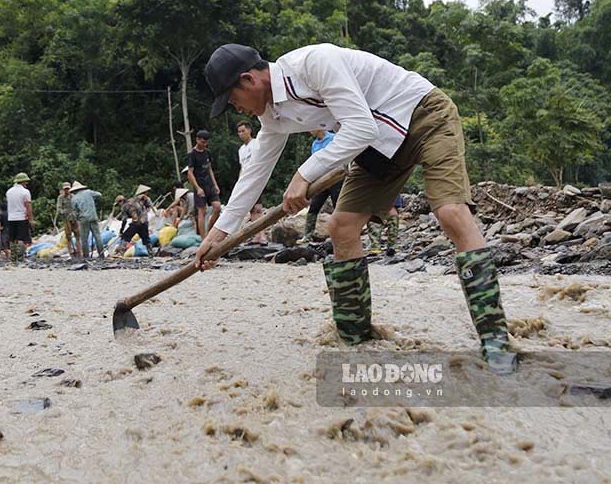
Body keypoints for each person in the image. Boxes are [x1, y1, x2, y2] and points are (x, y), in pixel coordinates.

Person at [196, 42, 516, 375]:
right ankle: (356, 337)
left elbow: (360, 126)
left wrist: (304, 174)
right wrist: (218, 236)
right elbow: (255, 174)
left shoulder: (313, 64)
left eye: (233, 101)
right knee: (341, 226)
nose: (237, 109)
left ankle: (496, 342)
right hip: (378, 143)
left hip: (423, 115)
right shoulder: (272, 115)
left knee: (450, 212)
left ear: (248, 80)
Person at [298, 129, 345, 243]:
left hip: (335, 178)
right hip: (321, 181)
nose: (310, 131)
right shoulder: (315, 144)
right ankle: (308, 235)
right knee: (314, 207)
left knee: (337, 206)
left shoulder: (333, 138)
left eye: (311, 128)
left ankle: (340, 233)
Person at [187, 130, 221, 236]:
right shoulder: (192, 154)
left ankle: (210, 230)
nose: (204, 144)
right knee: (202, 211)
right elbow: (190, 173)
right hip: (199, 184)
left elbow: (209, 169)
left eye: (206, 142)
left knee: (217, 207)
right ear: (197, 140)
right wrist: (197, 188)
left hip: (209, 184)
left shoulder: (207, 152)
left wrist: (215, 184)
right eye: (202, 142)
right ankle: (203, 238)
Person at [237, 120, 266, 243]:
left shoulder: (256, 144)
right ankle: (257, 235)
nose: (241, 134)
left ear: (249, 130)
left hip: (256, 179)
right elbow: (242, 167)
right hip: (245, 180)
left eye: (243, 131)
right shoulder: (241, 150)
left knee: (258, 208)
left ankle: (262, 235)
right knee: (251, 210)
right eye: (239, 132)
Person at [70, 181, 106, 260]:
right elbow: (99, 195)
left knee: (84, 238)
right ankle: (101, 255)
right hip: (93, 216)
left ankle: (86, 256)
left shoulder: (74, 198)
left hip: (83, 219)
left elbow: (75, 212)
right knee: (97, 236)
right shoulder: (89, 192)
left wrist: (75, 220)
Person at [6, 173, 34, 262]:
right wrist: (31, 219)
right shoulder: (25, 192)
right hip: (22, 217)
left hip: (11, 218)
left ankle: (13, 259)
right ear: (23, 181)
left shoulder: (9, 192)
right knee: (22, 239)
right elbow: (28, 206)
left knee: (12, 239)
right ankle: (20, 258)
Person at [118, 185, 154, 254]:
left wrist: (121, 231)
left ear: (120, 202)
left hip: (136, 223)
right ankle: (150, 252)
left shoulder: (124, 206)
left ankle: (121, 252)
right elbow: (144, 199)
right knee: (146, 238)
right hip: (144, 221)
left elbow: (124, 220)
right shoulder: (134, 199)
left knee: (125, 237)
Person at [56, 182, 82, 259]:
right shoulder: (60, 198)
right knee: (68, 236)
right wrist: (65, 212)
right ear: (63, 189)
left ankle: (78, 250)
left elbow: (78, 207)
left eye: (68, 189)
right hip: (66, 219)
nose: (67, 190)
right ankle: (70, 250)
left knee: (77, 235)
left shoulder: (73, 197)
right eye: (65, 189)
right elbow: (59, 209)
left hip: (74, 218)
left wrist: (75, 214)